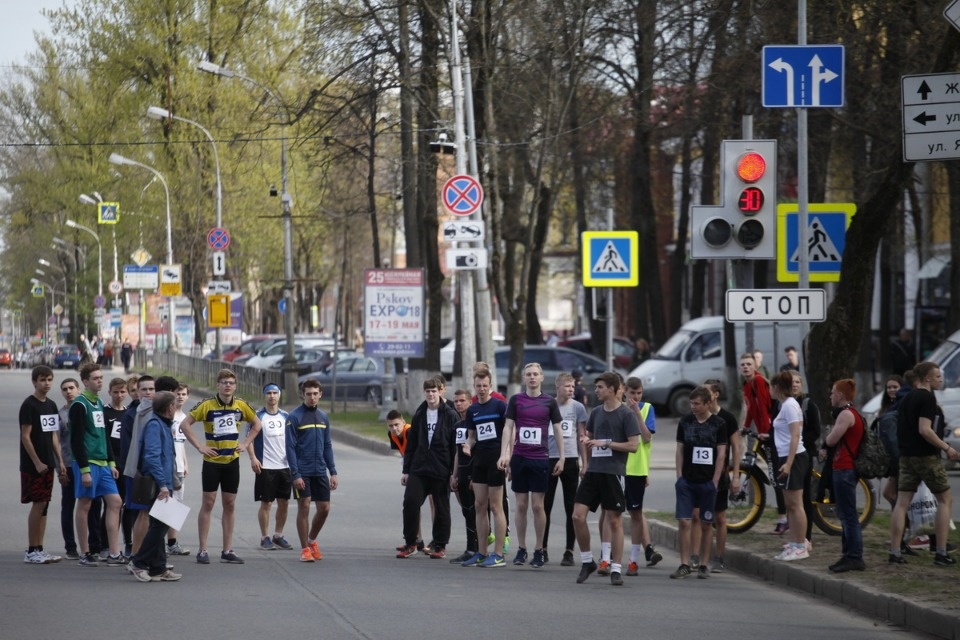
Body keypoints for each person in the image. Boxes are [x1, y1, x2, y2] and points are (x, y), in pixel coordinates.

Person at [179, 368, 262, 565]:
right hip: (212, 462)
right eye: (224, 382)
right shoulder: (207, 405)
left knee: (230, 504)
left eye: (231, 383)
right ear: (218, 385)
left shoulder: (241, 405)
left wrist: (245, 443)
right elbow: (185, 424)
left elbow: (257, 424)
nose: (227, 386)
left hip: (231, 461)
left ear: (235, 386)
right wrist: (200, 446)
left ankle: (227, 549)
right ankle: (203, 549)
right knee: (208, 503)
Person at [571, 372, 640, 586]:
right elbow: (590, 437)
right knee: (577, 516)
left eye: (600, 387)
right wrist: (586, 442)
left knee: (614, 520)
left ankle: (616, 568)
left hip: (613, 472)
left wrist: (607, 443)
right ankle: (586, 562)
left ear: (612, 388)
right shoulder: (597, 412)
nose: (596, 391)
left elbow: (634, 445)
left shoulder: (626, 414)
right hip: (593, 472)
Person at [888, 362, 959, 566]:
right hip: (925, 456)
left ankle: (894, 552)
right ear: (927, 378)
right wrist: (947, 448)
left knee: (902, 503)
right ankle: (941, 552)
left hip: (906, 456)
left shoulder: (907, 397)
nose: (940, 379)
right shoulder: (927, 397)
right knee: (945, 499)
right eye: (937, 376)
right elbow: (925, 429)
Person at [498, 363, 564, 568]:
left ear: (542, 377)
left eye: (535, 374)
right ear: (523, 378)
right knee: (520, 505)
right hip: (520, 457)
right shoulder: (516, 400)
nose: (532, 377)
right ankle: (522, 548)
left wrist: (562, 457)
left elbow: (558, 429)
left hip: (540, 458)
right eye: (528, 374)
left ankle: (538, 549)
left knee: (537, 506)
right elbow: (508, 427)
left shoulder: (549, 402)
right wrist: (505, 454)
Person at [396, 378, 459, 559]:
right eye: (428, 391)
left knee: (441, 507)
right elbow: (411, 445)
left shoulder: (450, 414)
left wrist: (454, 473)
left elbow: (454, 446)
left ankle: (440, 545)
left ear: (440, 392)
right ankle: (411, 543)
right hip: (420, 467)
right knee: (410, 502)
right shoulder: (420, 413)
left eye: (434, 391)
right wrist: (407, 470)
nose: (431, 395)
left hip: (441, 468)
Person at [70, 363, 125, 566]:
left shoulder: (99, 403)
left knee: (116, 502)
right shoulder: (79, 404)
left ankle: (113, 552)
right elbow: (75, 440)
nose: (100, 381)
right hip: (87, 462)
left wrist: (111, 461)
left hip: (103, 463)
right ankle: (85, 552)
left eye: (101, 377)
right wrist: (84, 470)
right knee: (85, 504)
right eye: (95, 378)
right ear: (85, 382)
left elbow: (104, 435)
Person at [670, 386, 728, 579]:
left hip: (707, 482)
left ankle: (704, 563)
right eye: (691, 403)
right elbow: (679, 449)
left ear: (707, 403)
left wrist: (715, 480)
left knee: (706, 523)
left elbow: (721, 454)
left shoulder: (719, 424)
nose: (692, 407)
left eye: (697, 404)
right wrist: (679, 476)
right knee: (684, 522)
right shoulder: (685, 422)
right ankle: (685, 563)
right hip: (687, 480)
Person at [129, 391, 182, 582]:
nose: (176, 407)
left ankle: (158, 567)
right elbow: (152, 457)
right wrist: (163, 485)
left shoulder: (163, 424)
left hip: (164, 481)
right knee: (159, 525)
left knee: (162, 523)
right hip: (156, 483)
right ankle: (138, 562)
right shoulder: (154, 425)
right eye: (175, 404)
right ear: (169, 408)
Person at [460, 367, 510, 567]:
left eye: (485, 386)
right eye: (478, 386)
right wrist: (467, 445)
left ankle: (498, 554)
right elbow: (472, 437)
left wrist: (506, 455)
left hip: (495, 460)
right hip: (479, 460)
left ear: (490, 387)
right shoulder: (472, 409)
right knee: (479, 506)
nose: (481, 389)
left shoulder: (499, 406)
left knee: (495, 506)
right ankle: (481, 552)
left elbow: (509, 431)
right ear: (474, 386)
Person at [287, 378, 338, 563]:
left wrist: (332, 471)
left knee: (324, 508)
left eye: (315, 394)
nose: (312, 397)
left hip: (320, 470)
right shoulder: (294, 417)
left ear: (320, 394)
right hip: (302, 470)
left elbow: (327, 445)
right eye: (308, 394)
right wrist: (295, 474)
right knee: (305, 505)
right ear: (303, 395)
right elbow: (290, 447)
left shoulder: (324, 417)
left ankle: (311, 539)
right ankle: (304, 549)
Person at [20, 365, 65, 564]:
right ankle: (31, 550)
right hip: (33, 465)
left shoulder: (52, 405)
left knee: (45, 504)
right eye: (42, 380)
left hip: (49, 464)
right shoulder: (29, 405)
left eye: (49, 379)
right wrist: (37, 461)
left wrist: (60, 461)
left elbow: (54, 435)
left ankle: (40, 548)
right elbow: (25, 436)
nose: (46, 383)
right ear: (34, 382)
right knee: (38, 504)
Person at [543, 372, 587, 567]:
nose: (571, 389)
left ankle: (569, 550)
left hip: (570, 459)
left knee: (571, 506)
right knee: (545, 506)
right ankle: (541, 548)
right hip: (549, 458)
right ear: (558, 387)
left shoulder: (577, 407)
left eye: (573, 386)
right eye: (568, 386)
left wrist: (585, 463)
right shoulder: (548, 405)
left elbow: (582, 436)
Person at [823, 379, 866, 572]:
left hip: (845, 468)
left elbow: (832, 440)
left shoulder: (846, 415)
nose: (831, 396)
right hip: (844, 468)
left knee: (848, 515)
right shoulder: (851, 413)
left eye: (833, 392)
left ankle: (854, 557)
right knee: (846, 514)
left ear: (840, 395)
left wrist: (826, 439)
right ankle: (848, 554)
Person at [740, 352, 786, 534]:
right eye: (742, 364)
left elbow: (766, 408)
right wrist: (744, 427)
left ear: (755, 367)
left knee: (775, 476)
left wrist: (767, 432)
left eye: (748, 364)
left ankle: (783, 517)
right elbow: (751, 409)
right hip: (764, 434)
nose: (745, 367)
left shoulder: (759, 382)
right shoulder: (747, 385)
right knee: (774, 473)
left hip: (772, 434)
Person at [620, 376, 662, 575]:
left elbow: (646, 438)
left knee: (636, 512)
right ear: (624, 392)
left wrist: (636, 413)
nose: (635, 397)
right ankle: (609, 555)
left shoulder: (647, 409)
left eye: (639, 393)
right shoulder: (617, 409)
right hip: (617, 467)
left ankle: (639, 555)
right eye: (632, 393)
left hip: (636, 469)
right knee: (611, 513)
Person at [249, 383, 296, 552]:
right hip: (265, 466)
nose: (271, 396)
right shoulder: (258, 416)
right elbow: (249, 439)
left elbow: (292, 441)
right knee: (266, 503)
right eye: (268, 393)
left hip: (284, 466)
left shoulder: (286, 416)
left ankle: (278, 535)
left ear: (279, 395)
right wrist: (253, 458)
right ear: (264, 396)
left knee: (283, 502)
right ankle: (265, 537)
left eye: (274, 393)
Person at [769, 371, 809, 561]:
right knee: (789, 504)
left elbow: (795, 435)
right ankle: (794, 542)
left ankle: (801, 544)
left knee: (795, 504)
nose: (769, 389)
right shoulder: (783, 405)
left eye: (771, 386)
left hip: (793, 458)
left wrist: (788, 463)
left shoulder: (790, 406)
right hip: (784, 456)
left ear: (777, 387)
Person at [703, 379, 740, 573]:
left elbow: (736, 447)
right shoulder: (699, 415)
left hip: (721, 474)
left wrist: (735, 477)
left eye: (707, 391)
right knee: (701, 518)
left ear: (716, 394)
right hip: (700, 475)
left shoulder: (727, 418)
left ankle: (719, 557)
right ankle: (701, 558)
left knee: (720, 517)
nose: (704, 393)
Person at [57, 377, 93, 560]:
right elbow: (54, 442)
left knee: (91, 505)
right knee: (68, 504)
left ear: (78, 389)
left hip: (87, 463)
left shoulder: (86, 408)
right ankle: (70, 546)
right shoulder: (60, 415)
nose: (68, 391)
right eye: (65, 389)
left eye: (71, 388)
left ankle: (94, 545)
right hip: (69, 465)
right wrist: (59, 468)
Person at [791, 372, 820, 549]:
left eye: (797, 382)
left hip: (804, 454)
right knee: (792, 499)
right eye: (791, 382)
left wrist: (798, 439)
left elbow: (815, 431)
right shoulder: (783, 404)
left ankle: (806, 537)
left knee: (804, 497)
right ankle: (795, 536)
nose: (794, 385)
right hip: (788, 455)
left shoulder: (808, 405)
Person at [449, 389, 479, 564]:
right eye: (456, 401)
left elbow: (478, 450)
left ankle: (478, 548)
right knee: (466, 511)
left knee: (477, 510)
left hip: (474, 471)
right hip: (461, 470)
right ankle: (470, 548)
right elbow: (457, 453)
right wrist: (454, 475)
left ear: (470, 402)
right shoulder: (457, 425)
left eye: (462, 400)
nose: (459, 404)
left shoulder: (474, 422)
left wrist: (475, 476)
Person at [166, 382, 191, 555]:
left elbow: (181, 444)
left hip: (180, 467)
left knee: (176, 505)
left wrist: (185, 462)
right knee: (164, 505)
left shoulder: (186, 418)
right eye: (178, 393)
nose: (180, 396)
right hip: (167, 466)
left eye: (183, 394)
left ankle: (172, 542)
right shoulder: (167, 416)